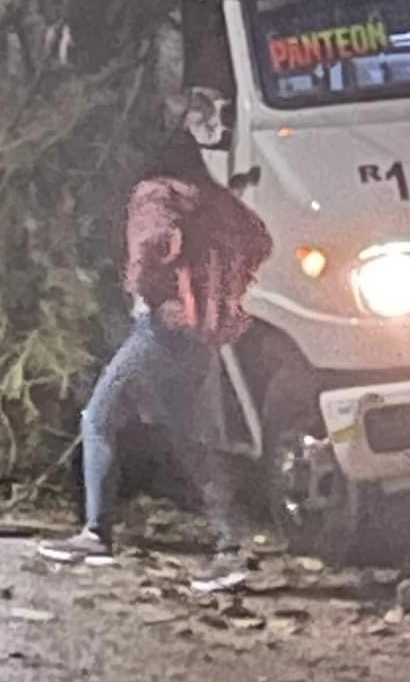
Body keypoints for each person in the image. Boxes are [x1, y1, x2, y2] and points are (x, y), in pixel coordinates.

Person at [40, 108, 273, 563]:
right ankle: (231, 540)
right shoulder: (213, 198)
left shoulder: (156, 193)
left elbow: (150, 244)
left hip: (162, 326)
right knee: (189, 439)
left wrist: (145, 289)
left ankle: (95, 534)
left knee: (99, 417)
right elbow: (259, 240)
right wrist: (220, 286)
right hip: (203, 330)